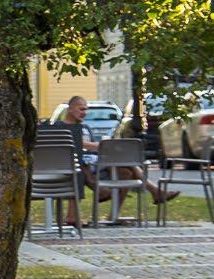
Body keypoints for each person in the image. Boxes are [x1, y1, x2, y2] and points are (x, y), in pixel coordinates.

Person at [55, 95, 175, 227]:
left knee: (126, 172)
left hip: (97, 163)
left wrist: (105, 147)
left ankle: (114, 216)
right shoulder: (61, 127)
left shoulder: (83, 127)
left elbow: (90, 146)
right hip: (78, 166)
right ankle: (155, 191)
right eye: (81, 109)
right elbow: (81, 145)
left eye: (85, 110)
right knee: (124, 162)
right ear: (71, 109)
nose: (84, 113)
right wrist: (104, 146)